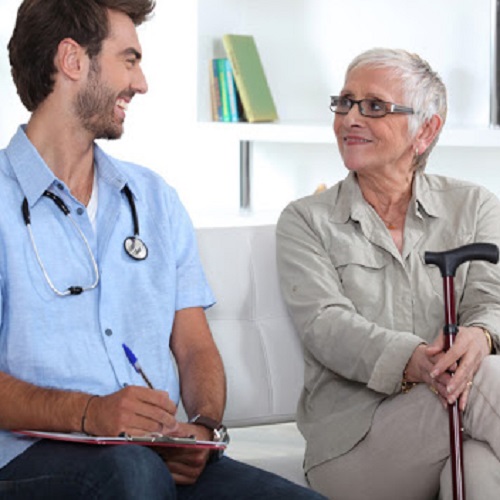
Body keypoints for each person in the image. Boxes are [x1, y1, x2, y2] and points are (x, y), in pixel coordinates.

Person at [0, 1, 327, 498]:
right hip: (31, 460)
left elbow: (194, 347)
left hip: (155, 458)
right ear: (72, 60)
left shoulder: (153, 200)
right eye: (129, 60)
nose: (141, 83)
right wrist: (92, 414)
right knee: (132, 473)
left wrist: (204, 427)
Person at [276, 47, 500, 500]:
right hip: (354, 444)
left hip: (451, 417)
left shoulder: (475, 205)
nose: (350, 118)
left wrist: (479, 337)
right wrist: (415, 359)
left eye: (374, 106)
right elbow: (326, 325)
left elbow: (491, 302)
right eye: (344, 102)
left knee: (477, 469)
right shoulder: (305, 220)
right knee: (487, 382)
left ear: (426, 131)